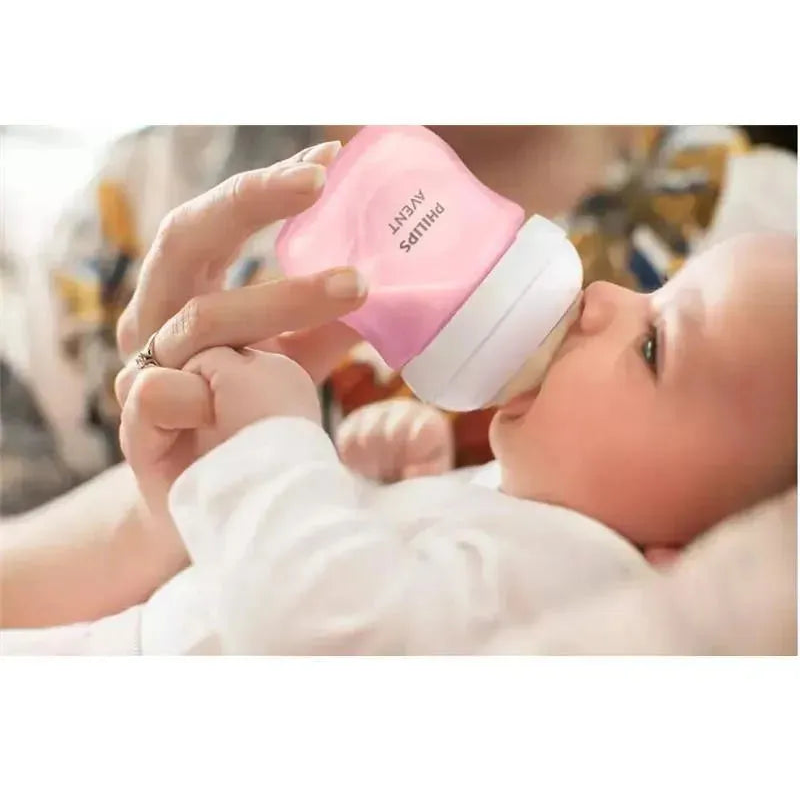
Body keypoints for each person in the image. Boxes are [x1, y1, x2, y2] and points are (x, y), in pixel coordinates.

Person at [2, 228, 794, 654]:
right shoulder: (548, 520)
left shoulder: (590, 578)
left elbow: (325, 634)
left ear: (708, 558)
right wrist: (376, 489)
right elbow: (394, 596)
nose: (602, 296)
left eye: (654, 345)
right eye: (653, 287)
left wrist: (269, 447)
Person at [3, 126, 796, 514]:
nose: (600, 297)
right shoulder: (142, 200)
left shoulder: (767, 230)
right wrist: (166, 508)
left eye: (653, 339)